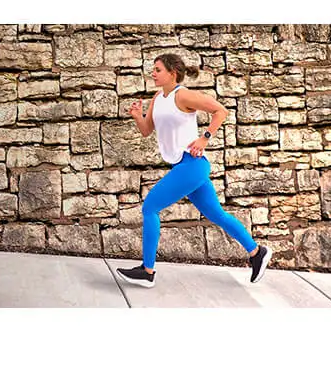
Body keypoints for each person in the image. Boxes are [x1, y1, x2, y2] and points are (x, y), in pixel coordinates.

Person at [115, 52, 271, 288]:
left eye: (158, 70)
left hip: (192, 164)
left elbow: (220, 111)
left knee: (150, 207)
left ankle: (147, 271)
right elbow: (146, 130)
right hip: (184, 166)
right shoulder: (158, 97)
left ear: (172, 73)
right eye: (153, 69)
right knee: (217, 215)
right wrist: (138, 116)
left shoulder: (183, 95)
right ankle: (257, 252)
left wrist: (204, 138)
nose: (153, 73)